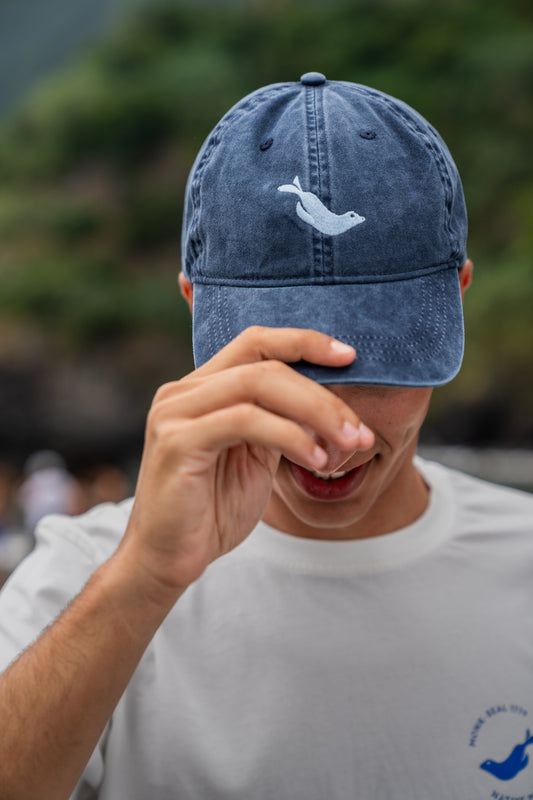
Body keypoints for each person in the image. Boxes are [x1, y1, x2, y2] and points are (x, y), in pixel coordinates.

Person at [0, 72, 532, 800]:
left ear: (458, 298)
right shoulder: (84, 576)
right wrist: (144, 580)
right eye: (284, 365)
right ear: (193, 306)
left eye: (380, 364)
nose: (334, 433)